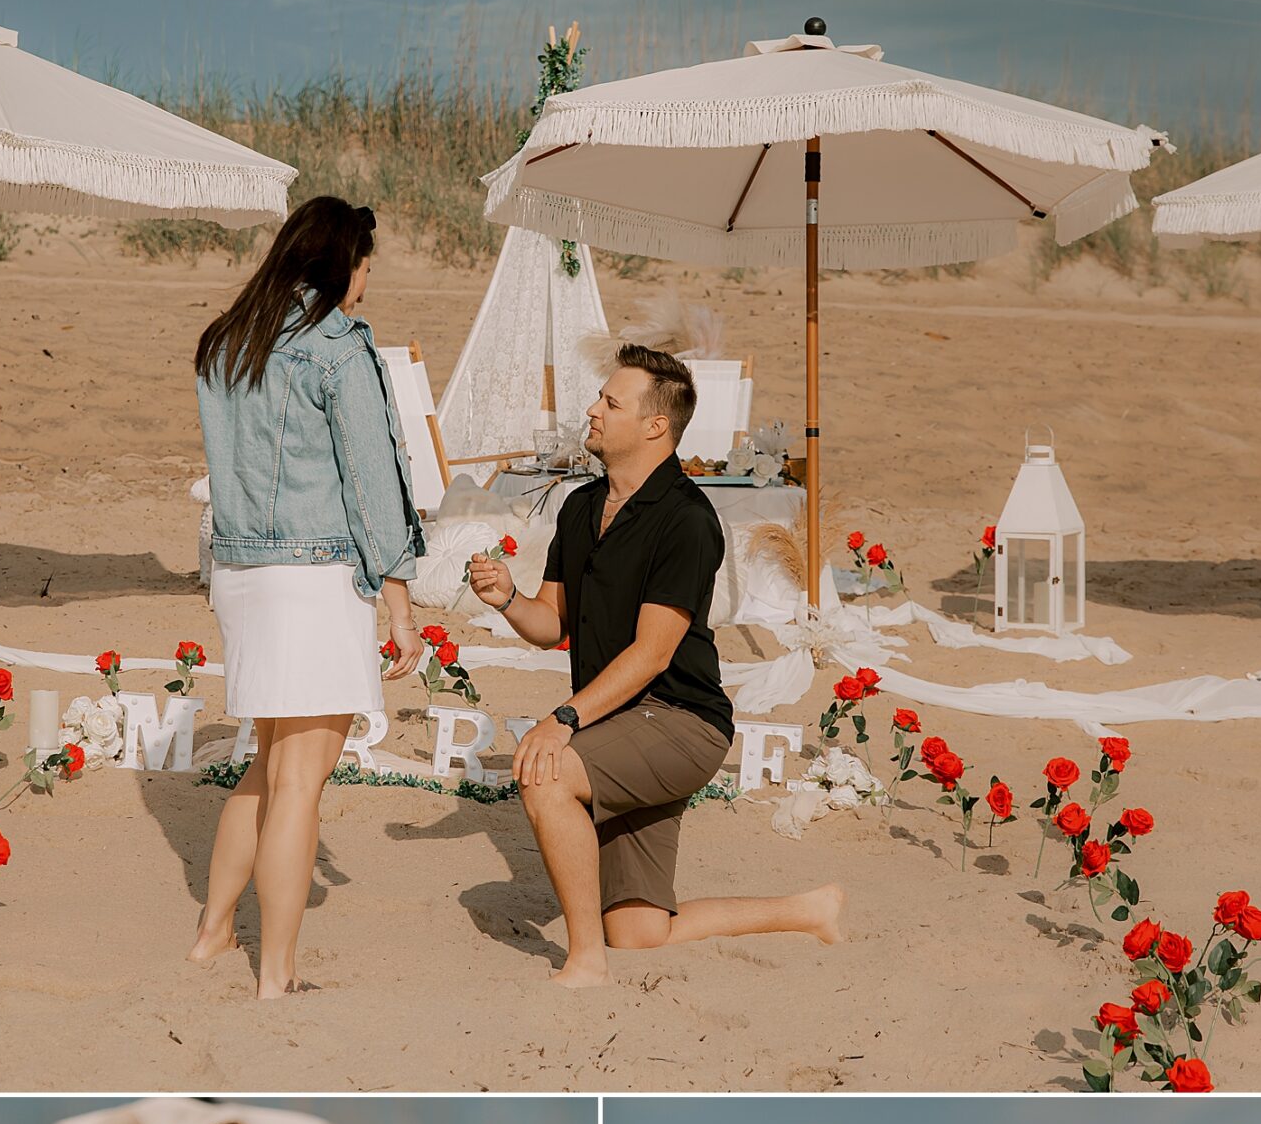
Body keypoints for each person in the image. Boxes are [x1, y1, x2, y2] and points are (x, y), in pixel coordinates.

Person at [467, 346, 844, 989]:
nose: (592, 410)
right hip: (621, 722)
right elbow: (552, 625)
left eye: (610, 402)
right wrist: (506, 599)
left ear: (653, 426)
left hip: (681, 723)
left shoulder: (688, 521)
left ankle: (584, 964)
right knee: (640, 932)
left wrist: (564, 718)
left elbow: (653, 653)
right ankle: (808, 910)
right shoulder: (581, 507)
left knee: (545, 773)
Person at [192, 195, 427, 998]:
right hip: (314, 574)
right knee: (301, 778)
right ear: (342, 264)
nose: (366, 284)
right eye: (365, 266)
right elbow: (371, 478)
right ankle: (277, 974)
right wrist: (399, 597)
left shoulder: (229, 340)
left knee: (266, 761)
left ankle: (214, 932)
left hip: (242, 575)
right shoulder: (336, 345)